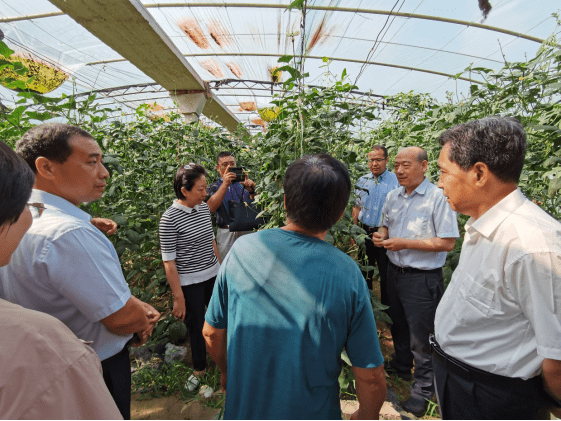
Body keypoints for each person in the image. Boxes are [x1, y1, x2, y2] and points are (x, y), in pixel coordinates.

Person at [203, 154, 387, 420]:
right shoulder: (347, 273)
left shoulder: (242, 251)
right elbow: (370, 375)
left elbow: (211, 333)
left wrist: (226, 372)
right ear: (339, 214)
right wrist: (367, 415)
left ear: (286, 201)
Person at [0, 123, 161, 420]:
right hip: (95, 364)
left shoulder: (15, 216)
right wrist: (142, 316)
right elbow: (121, 318)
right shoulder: (68, 233)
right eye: (91, 162)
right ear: (46, 167)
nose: (104, 173)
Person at [433, 117, 561, 419]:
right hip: (462, 384)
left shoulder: (534, 248)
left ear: (479, 173)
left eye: (443, 172)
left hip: (493, 398)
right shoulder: (482, 223)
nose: (439, 183)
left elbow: (556, 360)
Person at [372, 146, 459, 416]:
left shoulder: (437, 198)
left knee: (422, 336)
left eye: (406, 165)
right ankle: (400, 365)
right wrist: (381, 235)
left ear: (424, 166)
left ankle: (423, 390)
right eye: (396, 165)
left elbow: (447, 242)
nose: (398, 170)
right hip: (394, 272)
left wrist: (403, 243)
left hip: (422, 278)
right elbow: (385, 224)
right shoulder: (393, 196)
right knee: (396, 323)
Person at [159, 163, 220, 384]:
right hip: (190, 281)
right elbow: (169, 261)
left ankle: (222, 359)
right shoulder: (169, 219)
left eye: (206, 188)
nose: (205, 194)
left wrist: (220, 271)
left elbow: (211, 241)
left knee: (221, 317)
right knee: (196, 326)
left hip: (213, 274)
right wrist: (178, 298)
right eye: (200, 189)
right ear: (184, 191)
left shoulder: (203, 208)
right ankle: (200, 369)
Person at [353, 144, 399, 295]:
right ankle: (367, 305)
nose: (374, 164)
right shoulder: (362, 181)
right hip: (364, 232)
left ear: (387, 160)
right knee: (365, 270)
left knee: (386, 273)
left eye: (378, 159)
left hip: (386, 233)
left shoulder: (396, 181)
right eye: (371, 160)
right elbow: (356, 207)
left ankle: (387, 309)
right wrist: (355, 231)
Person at [206, 151, 256, 260]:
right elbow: (210, 208)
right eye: (225, 165)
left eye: (232, 164)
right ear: (218, 168)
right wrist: (225, 183)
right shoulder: (214, 187)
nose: (229, 167)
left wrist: (251, 191)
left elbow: (255, 209)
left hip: (246, 231)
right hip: (226, 232)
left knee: (248, 262)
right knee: (226, 263)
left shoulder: (243, 185)